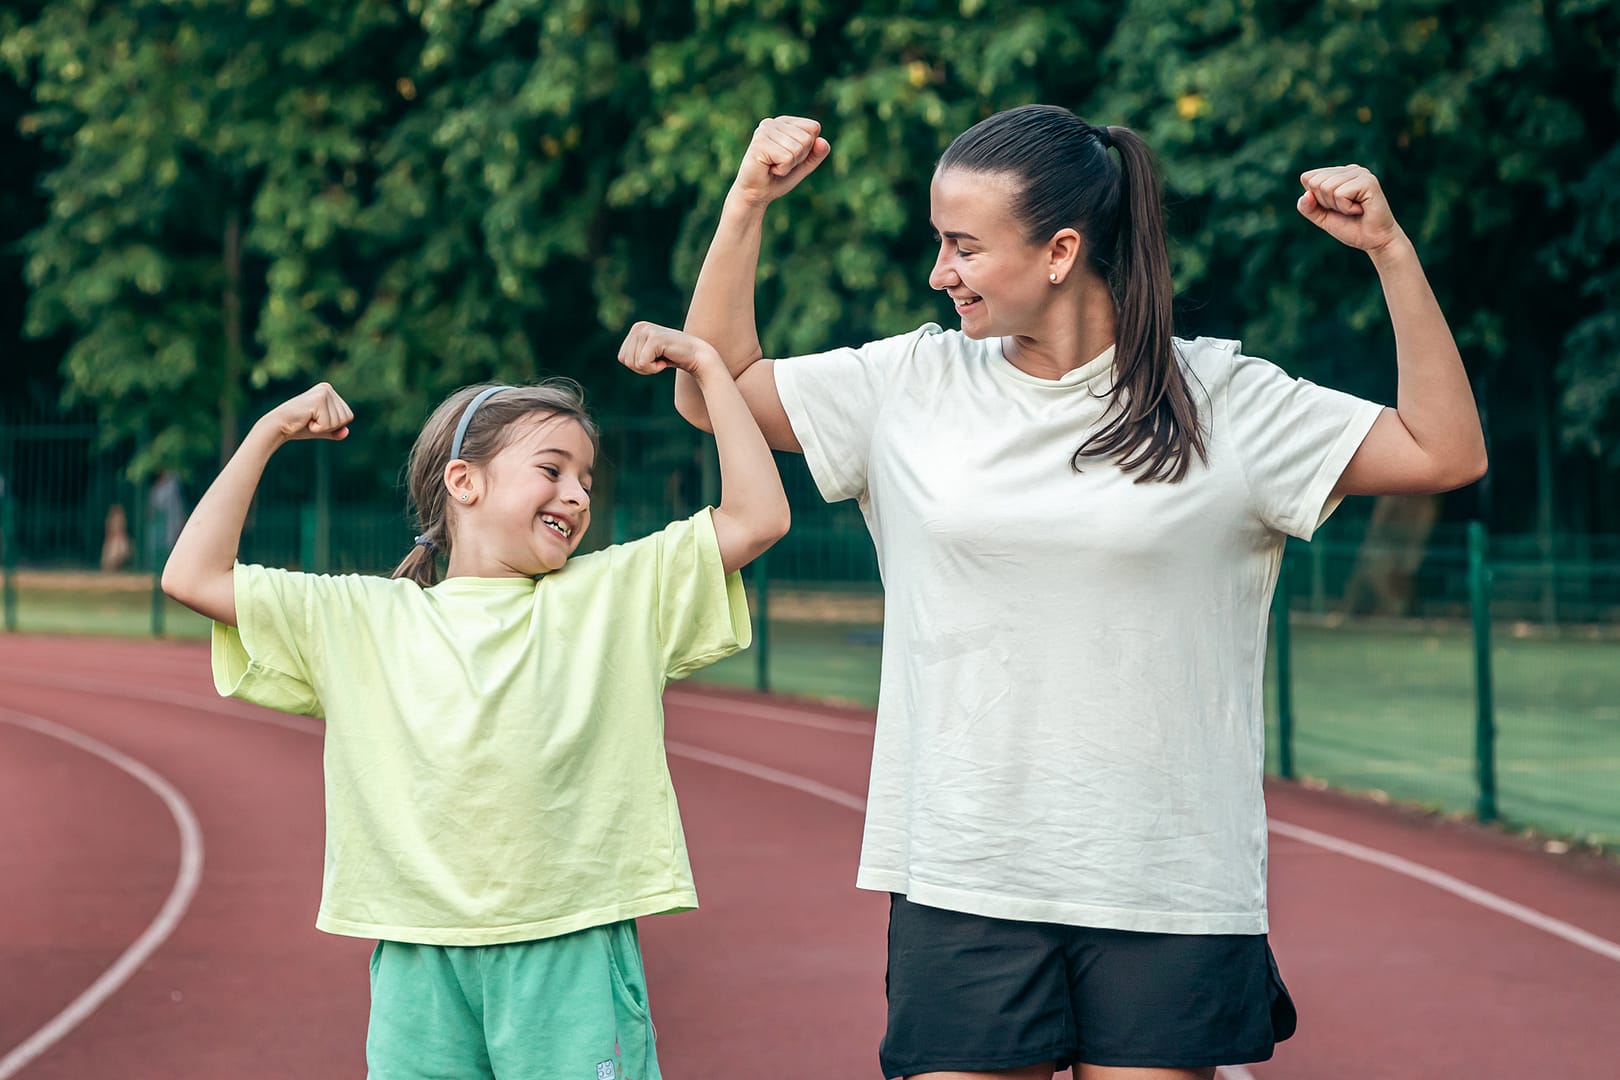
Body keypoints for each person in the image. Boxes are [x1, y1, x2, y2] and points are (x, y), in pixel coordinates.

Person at [672, 107, 1487, 1080]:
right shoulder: (907, 385)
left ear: (1061, 250)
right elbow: (709, 388)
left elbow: (1446, 450)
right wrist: (747, 202)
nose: (941, 273)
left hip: (1166, 884)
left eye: (964, 246)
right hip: (964, 871)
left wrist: (1391, 251)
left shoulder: (1223, 399)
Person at [161, 323, 789, 1079]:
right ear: (466, 482)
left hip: (569, 943)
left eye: (587, 480)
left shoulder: (613, 594)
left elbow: (758, 520)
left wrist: (712, 370)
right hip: (418, 955)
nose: (577, 494)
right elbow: (192, 576)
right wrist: (268, 432)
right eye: (553, 469)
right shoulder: (365, 618)